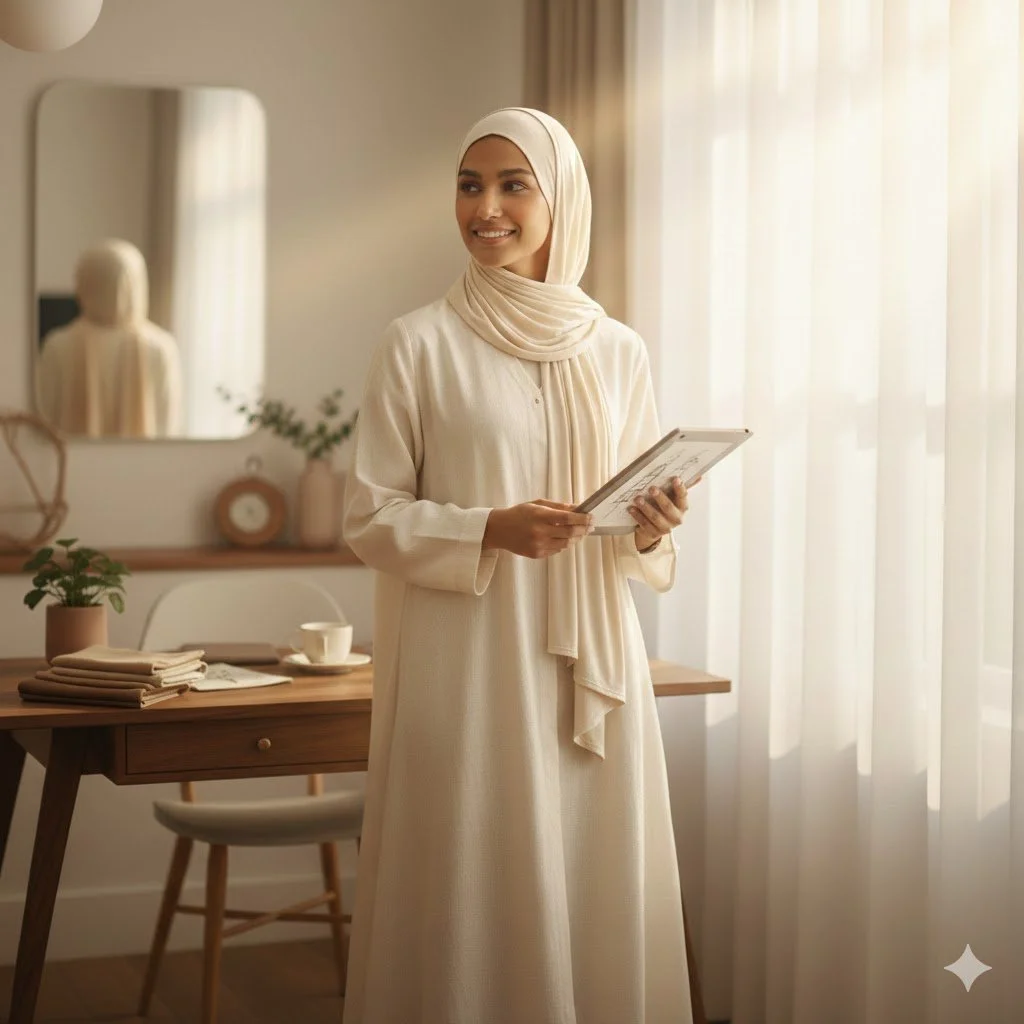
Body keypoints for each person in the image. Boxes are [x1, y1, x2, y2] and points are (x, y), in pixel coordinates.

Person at [342, 107, 694, 1024]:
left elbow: (630, 536)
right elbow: (369, 518)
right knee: (471, 873)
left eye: (511, 184)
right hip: (468, 667)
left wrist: (652, 527)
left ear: (560, 198)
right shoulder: (415, 343)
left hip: (594, 668)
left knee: (589, 872)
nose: (485, 207)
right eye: (469, 184)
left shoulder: (618, 351)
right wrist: (489, 529)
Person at [36, 238, 183, 438]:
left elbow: (42, 424)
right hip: (145, 466)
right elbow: (168, 429)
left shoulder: (58, 345)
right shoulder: (161, 347)